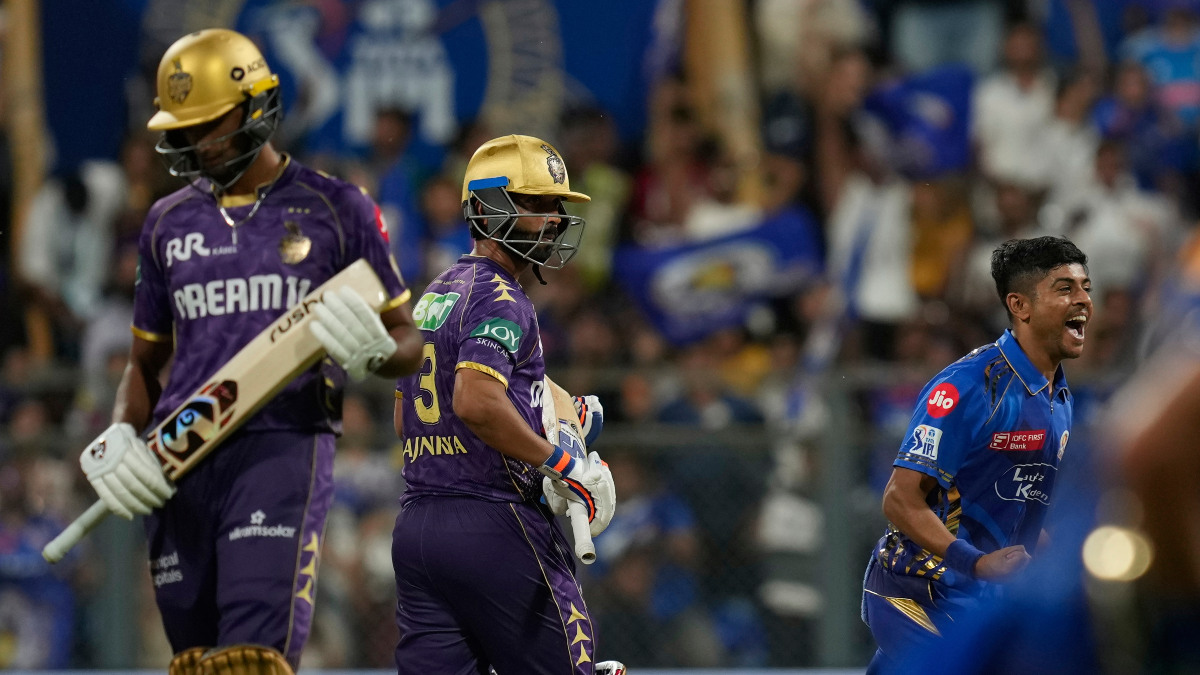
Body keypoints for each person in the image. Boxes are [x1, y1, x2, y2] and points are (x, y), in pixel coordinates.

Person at [73, 28, 422, 675]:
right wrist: (122, 431)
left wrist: (377, 352)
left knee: (251, 659)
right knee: (197, 661)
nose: (196, 142)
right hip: (177, 455)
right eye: (185, 127)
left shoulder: (337, 206)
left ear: (257, 106)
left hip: (282, 443)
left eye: (210, 123)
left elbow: (409, 337)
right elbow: (145, 362)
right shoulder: (165, 222)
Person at [391, 134, 620, 675]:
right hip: (494, 523)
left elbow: (407, 417)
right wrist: (561, 464)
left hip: (418, 526)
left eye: (555, 207)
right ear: (491, 208)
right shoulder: (501, 297)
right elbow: (475, 401)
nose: (554, 221)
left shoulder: (435, 293)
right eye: (538, 205)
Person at [860, 236, 1092, 672]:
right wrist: (977, 562)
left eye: (1086, 288)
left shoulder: (1060, 398)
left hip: (980, 603)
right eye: (1065, 288)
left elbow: (1013, 516)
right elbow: (899, 497)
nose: (1083, 300)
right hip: (917, 595)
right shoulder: (966, 387)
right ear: (1019, 306)